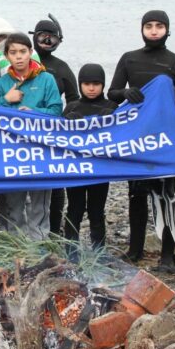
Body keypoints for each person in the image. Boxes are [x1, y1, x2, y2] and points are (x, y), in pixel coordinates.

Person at [108, 10, 175, 269]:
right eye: (149, 26)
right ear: (142, 29)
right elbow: (111, 94)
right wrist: (126, 92)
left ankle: (168, 254)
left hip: (165, 140)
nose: (154, 30)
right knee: (136, 195)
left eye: (159, 26)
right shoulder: (129, 59)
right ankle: (135, 250)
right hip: (137, 138)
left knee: (167, 197)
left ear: (167, 29)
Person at [0, 33, 63, 240]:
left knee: (40, 201)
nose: (19, 57)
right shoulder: (1, 84)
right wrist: (6, 100)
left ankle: (39, 243)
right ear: (7, 56)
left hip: (40, 148)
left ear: (31, 52)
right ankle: (15, 242)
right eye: (13, 53)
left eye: (23, 51)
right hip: (13, 151)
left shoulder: (46, 79)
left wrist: (33, 112)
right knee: (14, 202)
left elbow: (56, 110)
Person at [30, 16, 79, 236]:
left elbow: (74, 99)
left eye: (51, 38)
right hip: (23, 130)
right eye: (42, 36)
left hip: (51, 131)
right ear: (34, 37)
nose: (46, 41)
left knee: (56, 181)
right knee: (26, 180)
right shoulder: (23, 61)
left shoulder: (61, 67)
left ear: (59, 40)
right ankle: (27, 229)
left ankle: (53, 230)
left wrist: (61, 118)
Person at [62, 64, 118, 255]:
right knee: (74, 209)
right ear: (80, 85)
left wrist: (114, 118)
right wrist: (66, 120)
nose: (91, 88)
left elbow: (125, 133)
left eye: (96, 83)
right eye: (86, 83)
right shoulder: (72, 106)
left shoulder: (111, 106)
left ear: (103, 84)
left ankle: (99, 251)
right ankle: (71, 250)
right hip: (76, 170)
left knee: (96, 211)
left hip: (101, 170)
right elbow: (57, 138)